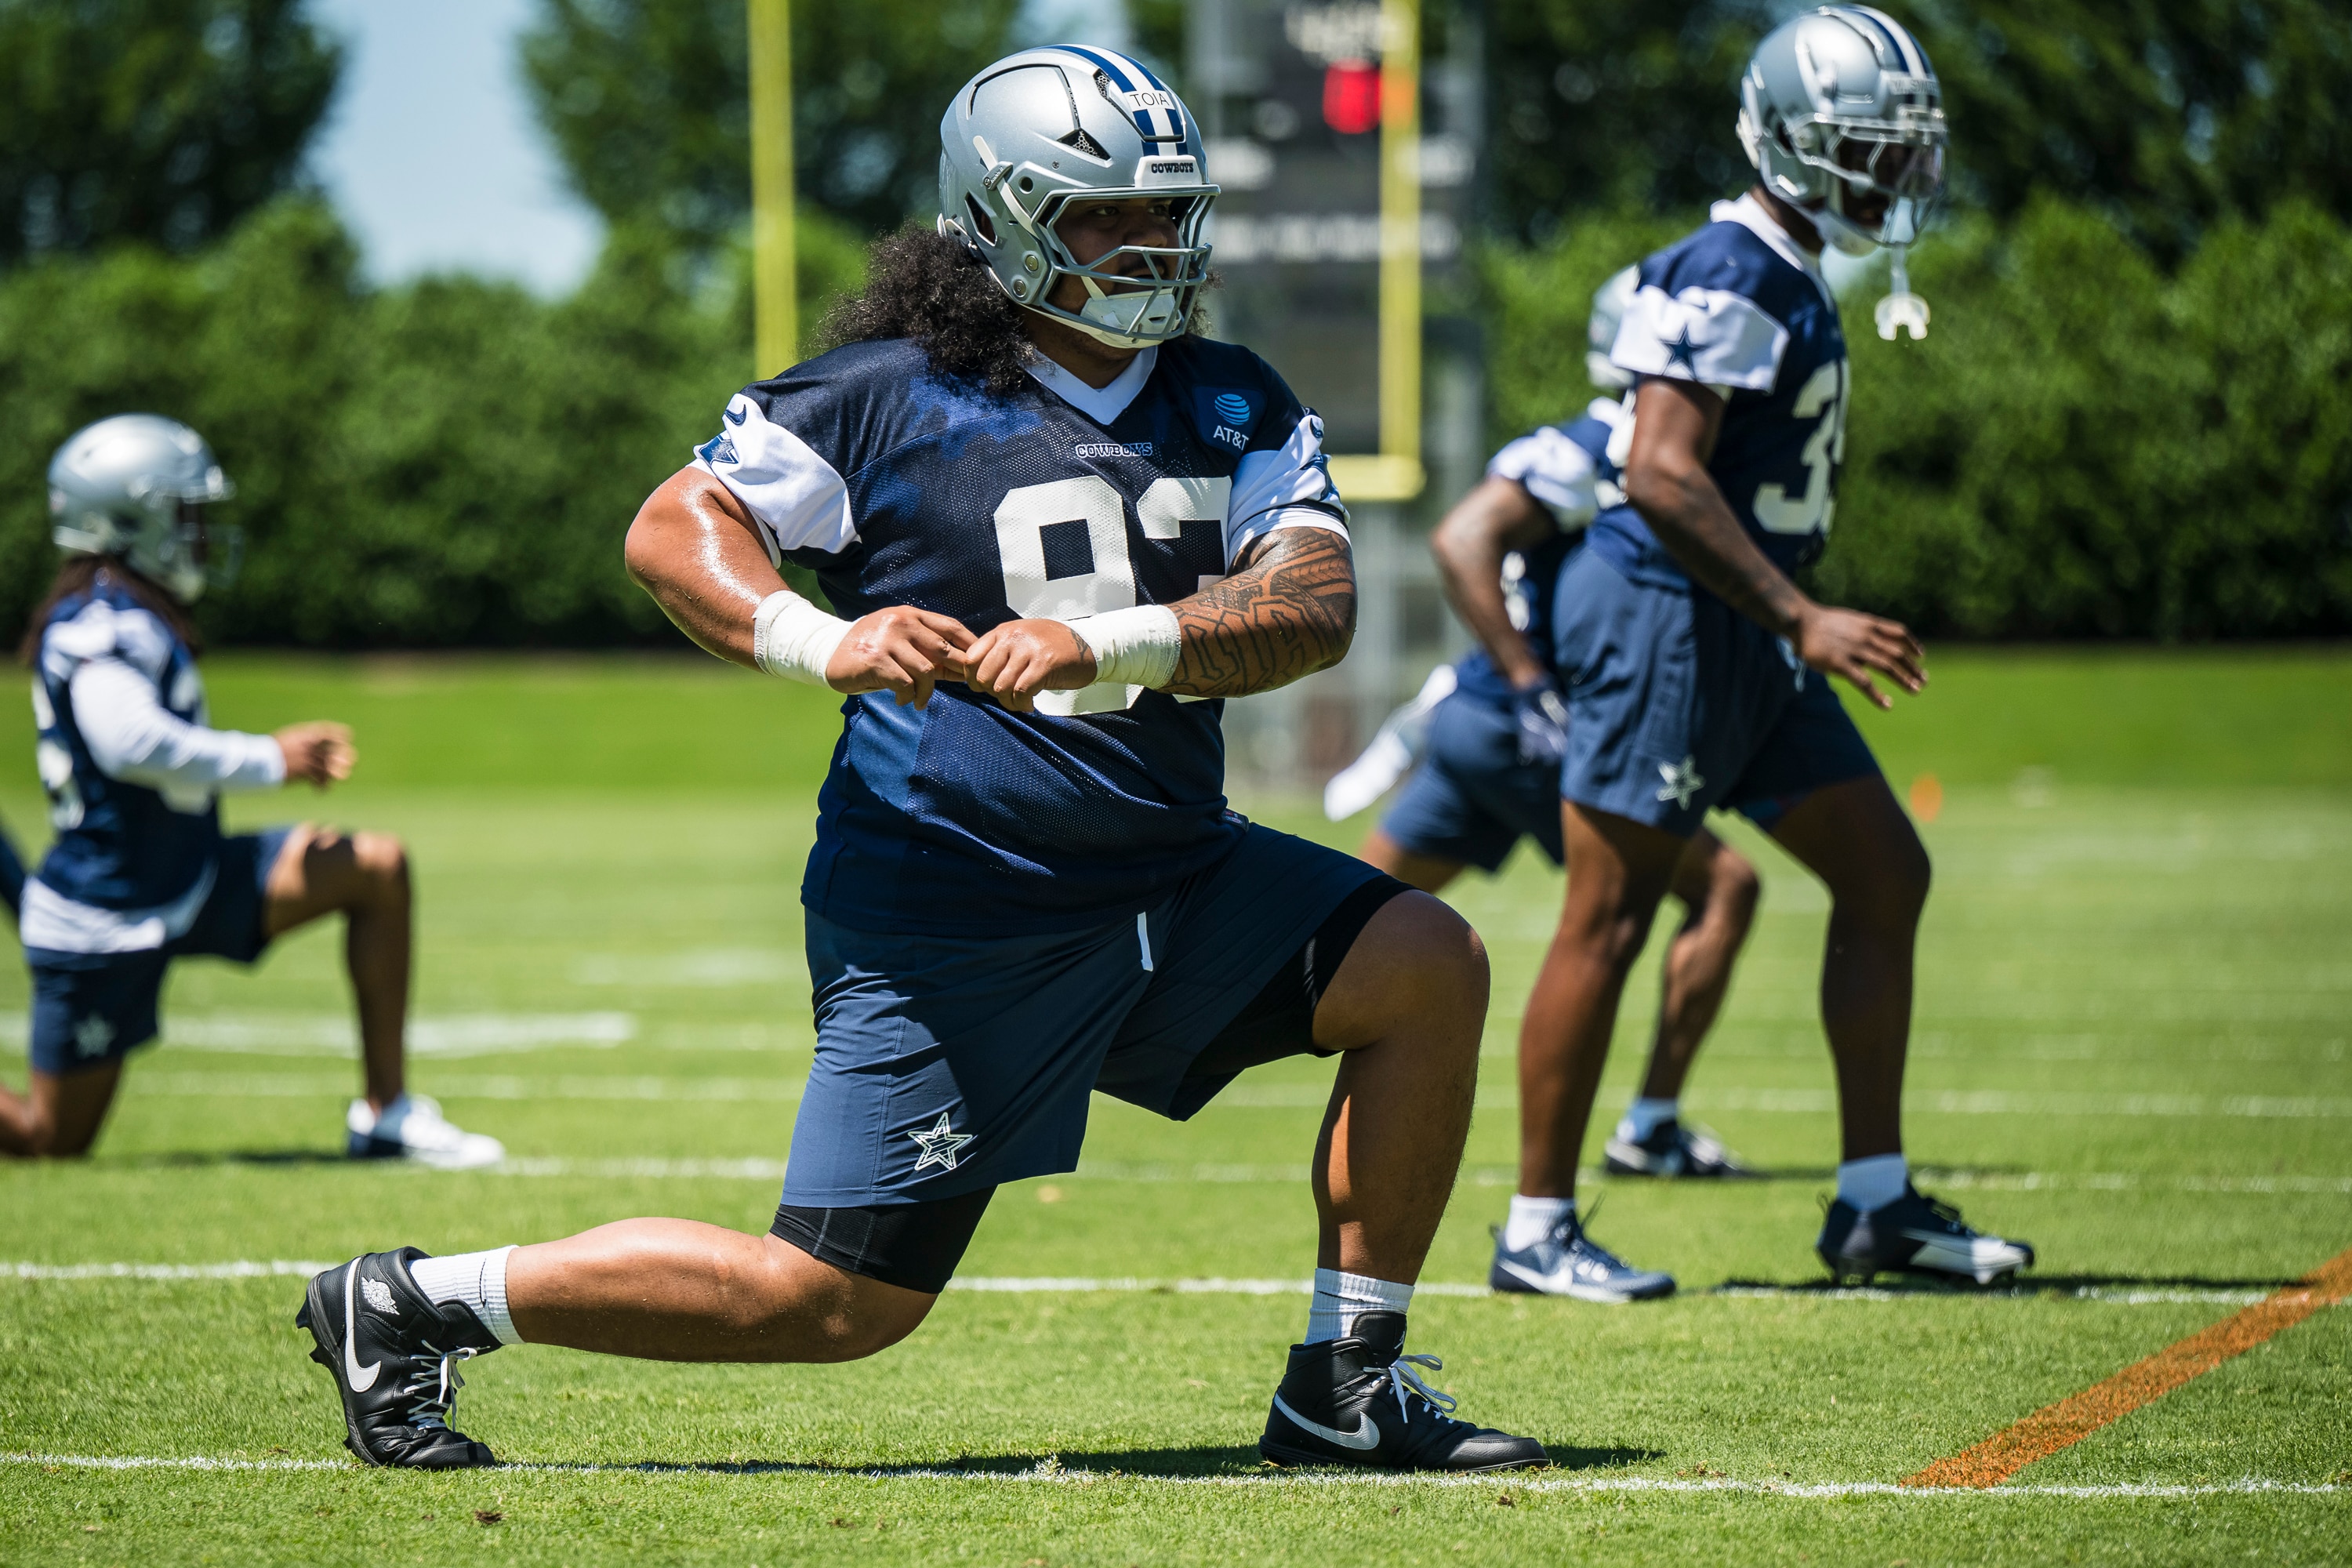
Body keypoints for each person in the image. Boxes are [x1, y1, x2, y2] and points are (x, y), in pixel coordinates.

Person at [292, 48, 1545, 1475]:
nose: (1149, 244)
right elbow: (672, 526)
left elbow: (1312, 608)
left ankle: (1347, 1388)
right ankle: (410, 1303)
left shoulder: (1232, 397)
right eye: (1102, 215)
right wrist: (815, 641)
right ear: (1002, 219)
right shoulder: (890, 397)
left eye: (1166, 210)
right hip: (961, 910)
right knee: (828, 1302)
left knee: (1423, 963)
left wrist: (1106, 642)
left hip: (1174, 877)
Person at [1513, 6, 2032, 1291]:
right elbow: (1661, 471)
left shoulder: (1788, 267)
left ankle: (1870, 1207)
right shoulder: (1731, 269)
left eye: (1903, 146)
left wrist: (1784, 619)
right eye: (1869, 144)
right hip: (1672, 626)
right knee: (1611, 915)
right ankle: (1535, 1228)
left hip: (1742, 634)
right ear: (1790, 142)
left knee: (1882, 871)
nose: (1897, 173)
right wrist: (1803, 614)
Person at [1347, 270, 1763, 1273]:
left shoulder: (1615, 447)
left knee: (1353, 912)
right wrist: (1538, 682)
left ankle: (1183, 1028)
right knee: (1719, 888)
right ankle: (1648, 1122)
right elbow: (1463, 535)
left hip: (1478, 724)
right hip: (1524, 728)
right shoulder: (1606, 447)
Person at [0, 414, 503, 1171]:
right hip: (106, 916)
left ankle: (386, 1114)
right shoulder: (97, 627)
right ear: (132, 517)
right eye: (187, 515)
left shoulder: (129, 613)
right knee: (51, 1141)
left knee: (375, 866)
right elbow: (131, 745)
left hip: (193, 874)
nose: (201, 534)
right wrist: (273, 757)